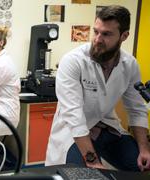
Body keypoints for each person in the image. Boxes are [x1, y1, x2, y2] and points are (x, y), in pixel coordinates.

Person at [45, 5, 150, 172]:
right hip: (74, 132)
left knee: (142, 166)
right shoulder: (73, 61)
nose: (97, 39)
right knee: (86, 175)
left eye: (106, 34)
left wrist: (144, 149)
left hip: (107, 127)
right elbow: (74, 115)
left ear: (124, 36)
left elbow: (136, 109)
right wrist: (92, 160)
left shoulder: (130, 65)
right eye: (96, 32)